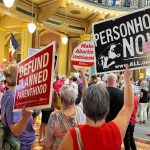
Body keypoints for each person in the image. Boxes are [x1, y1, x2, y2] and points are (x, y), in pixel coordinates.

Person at [58, 65, 134, 150]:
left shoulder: (73, 135)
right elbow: (128, 106)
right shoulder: (115, 131)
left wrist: (83, 75)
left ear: (83, 110)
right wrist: (127, 78)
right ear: (107, 111)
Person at [43, 78, 85, 149]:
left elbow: (48, 142)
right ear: (75, 97)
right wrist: (83, 76)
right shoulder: (81, 111)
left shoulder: (54, 116)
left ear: (61, 97)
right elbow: (85, 92)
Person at [1, 64, 35, 149]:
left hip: (19, 142)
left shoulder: (8, 94)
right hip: (20, 144)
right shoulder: (14, 98)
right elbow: (15, 131)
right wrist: (25, 117)